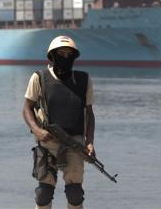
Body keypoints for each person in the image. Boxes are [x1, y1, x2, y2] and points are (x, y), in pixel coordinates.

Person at [22, 35, 96, 209]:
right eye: (61, 53)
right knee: (43, 193)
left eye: (69, 53)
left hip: (75, 143)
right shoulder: (39, 78)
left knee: (75, 193)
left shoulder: (84, 80)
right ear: (52, 56)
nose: (65, 56)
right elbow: (26, 109)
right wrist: (37, 130)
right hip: (47, 143)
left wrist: (90, 142)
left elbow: (90, 114)